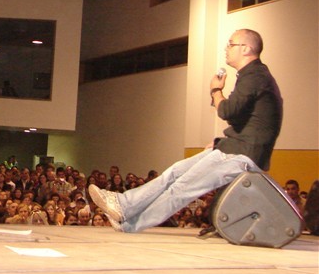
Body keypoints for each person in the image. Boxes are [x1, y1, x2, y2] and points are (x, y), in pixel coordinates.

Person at [90, 29, 282, 233]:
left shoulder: (255, 76)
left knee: (182, 188)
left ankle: (130, 223)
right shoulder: (252, 76)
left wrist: (216, 90)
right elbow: (245, 120)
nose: (226, 48)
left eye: (231, 44)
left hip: (242, 154)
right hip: (235, 148)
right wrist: (220, 143)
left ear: (246, 48)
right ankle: (124, 206)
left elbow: (228, 111)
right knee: (174, 173)